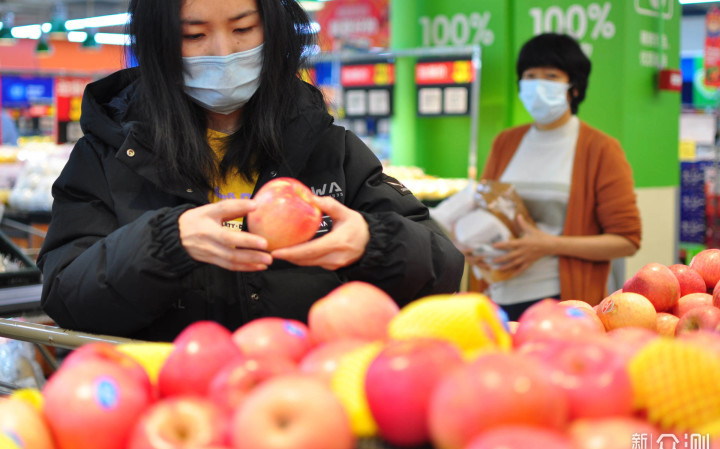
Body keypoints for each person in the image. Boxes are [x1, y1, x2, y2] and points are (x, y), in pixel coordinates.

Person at [36, 0, 465, 341]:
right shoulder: (107, 157)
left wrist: (373, 244)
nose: (223, 52)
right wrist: (165, 243)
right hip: (165, 405)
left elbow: (442, 266)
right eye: (194, 34)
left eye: (243, 28)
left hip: (309, 401)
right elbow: (66, 295)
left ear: (274, 27)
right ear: (159, 43)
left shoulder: (328, 148)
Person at [469, 32, 641, 320]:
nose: (538, 85)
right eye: (530, 75)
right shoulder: (505, 143)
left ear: (574, 87)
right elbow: (484, 209)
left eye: (550, 75)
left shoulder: (600, 149)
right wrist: (470, 246)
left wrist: (549, 244)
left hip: (564, 302)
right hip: (496, 294)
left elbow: (626, 239)